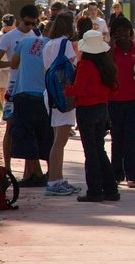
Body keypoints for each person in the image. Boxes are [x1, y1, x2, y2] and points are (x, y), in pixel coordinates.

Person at [66, 29, 119, 202]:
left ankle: (95, 190)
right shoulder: (106, 64)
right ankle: (111, 189)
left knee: (90, 152)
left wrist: (65, 88)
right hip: (102, 109)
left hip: (87, 110)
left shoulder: (85, 65)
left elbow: (78, 89)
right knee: (99, 149)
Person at [0, 5, 43, 174]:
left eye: (34, 24)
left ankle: (31, 171)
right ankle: (7, 167)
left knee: (32, 129)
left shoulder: (37, 35)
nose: (30, 27)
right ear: (21, 20)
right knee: (10, 127)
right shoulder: (9, 37)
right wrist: (12, 64)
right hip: (14, 87)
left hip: (32, 87)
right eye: (27, 23)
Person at [7, 5, 54, 187]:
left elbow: (13, 64)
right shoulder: (54, 47)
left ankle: (36, 173)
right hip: (45, 97)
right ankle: (50, 172)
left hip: (24, 95)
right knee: (46, 136)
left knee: (26, 136)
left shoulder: (25, 43)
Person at [41, 12, 81, 197]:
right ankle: (53, 181)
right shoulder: (65, 44)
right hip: (63, 95)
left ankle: (58, 178)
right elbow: (72, 66)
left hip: (50, 93)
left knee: (58, 138)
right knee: (60, 141)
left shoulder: (48, 44)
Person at [107, 17, 135, 187]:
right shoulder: (110, 51)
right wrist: (111, 44)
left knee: (132, 139)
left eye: (126, 31)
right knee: (116, 138)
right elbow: (107, 68)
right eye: (118, 31)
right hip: (114, 101)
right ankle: (117, 174)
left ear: (131, 32)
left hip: (134, 100)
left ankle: (133, 175)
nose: (123, 34)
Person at [0, 14, 16, 109]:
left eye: (10, 24)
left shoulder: (17, 35)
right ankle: (4, 109)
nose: (8, 27)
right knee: (2, 89)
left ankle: (12, 109)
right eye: (6, 25)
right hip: (2, 67)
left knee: (13, 90)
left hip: (13, 68)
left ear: (14, 23)